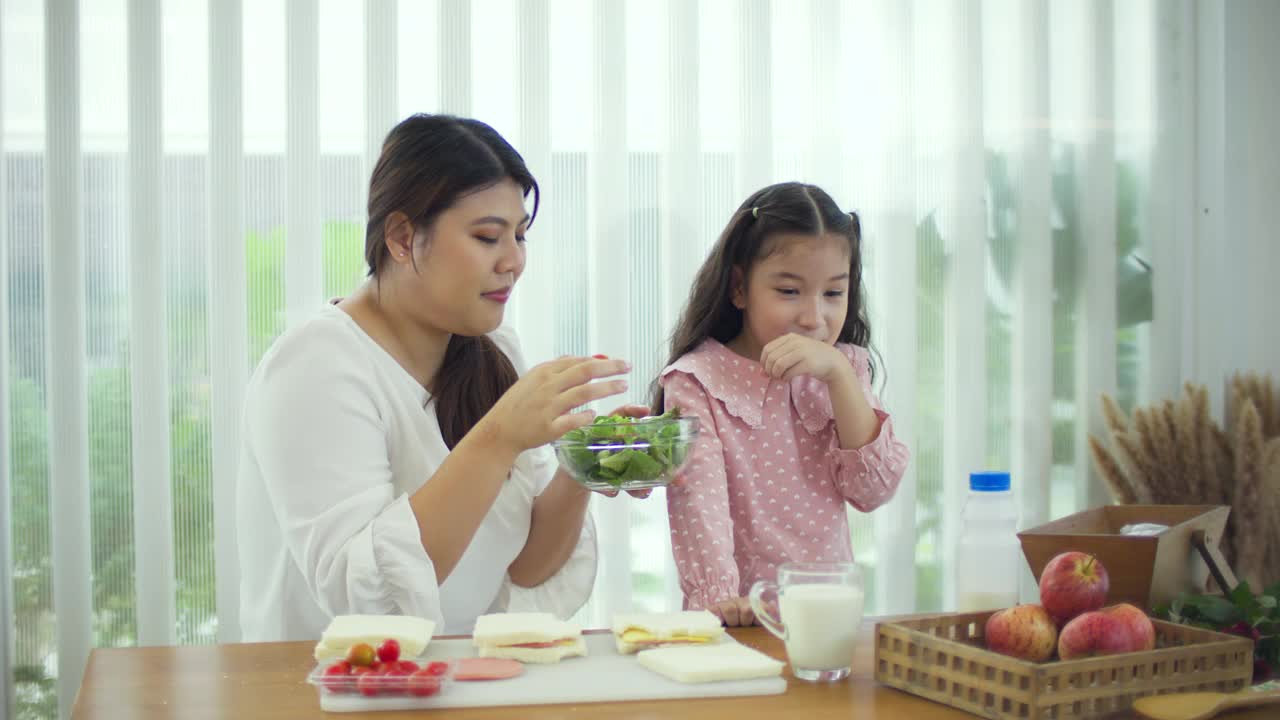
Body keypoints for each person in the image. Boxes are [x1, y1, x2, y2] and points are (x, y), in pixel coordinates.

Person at [237, 113, 647, 640]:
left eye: (520, 236)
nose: (514, 261)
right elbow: (367, 604)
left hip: (454, 684)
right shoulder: (317, 364)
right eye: (487, 237)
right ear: (403, 237)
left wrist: (582, 466)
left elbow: (527, 569)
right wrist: (500, 436)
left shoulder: (493, 350)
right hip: (329, 691)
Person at [653, 182, 910, 626]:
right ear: (739, 287)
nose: (814, 317)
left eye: (833, 294)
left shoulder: (844, 368)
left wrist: (839, 376)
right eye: (789, 291)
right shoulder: (698, 381)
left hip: (826, 618)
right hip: (737, 620)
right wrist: (719, 599)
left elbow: (872, 490)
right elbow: (700, 502)